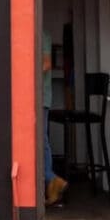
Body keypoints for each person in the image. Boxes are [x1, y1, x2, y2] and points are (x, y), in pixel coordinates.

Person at [42, 26, 68, 204]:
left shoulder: (42, 35)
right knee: (41, 140)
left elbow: (46, 64)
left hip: (40, 96)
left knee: (41, 140)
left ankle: (52, 179)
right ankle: (51, 181)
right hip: (40, 96)